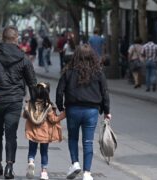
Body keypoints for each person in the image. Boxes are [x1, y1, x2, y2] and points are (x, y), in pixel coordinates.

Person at [0, 25, 37, 179]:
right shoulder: (23, 58)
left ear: (2, 38)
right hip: (14, 101)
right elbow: (32, 83)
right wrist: (34, 103)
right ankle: (9, 166)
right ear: (16, 39)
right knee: (11, 135)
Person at [56, 44, 111, 180]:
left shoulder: (68, 71)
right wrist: (106, 111)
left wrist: (61, 108)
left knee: (73, 138)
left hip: (73, 109)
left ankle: (75, 163)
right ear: (92, 56)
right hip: (91, 111)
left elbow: (59, 91)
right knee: (88, 141)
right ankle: (87, 173)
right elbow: (105, 93)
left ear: (76, 56)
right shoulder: (98, 72)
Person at [23, 82, 66, 180]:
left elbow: (24, 115)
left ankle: (31, 162)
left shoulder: (30, 103)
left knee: (32, 150)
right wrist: (64, 114)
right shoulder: (48, 107)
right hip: (44, 134)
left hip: (32, 132)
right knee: (44, 152)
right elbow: (53, 120)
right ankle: (43, 172)